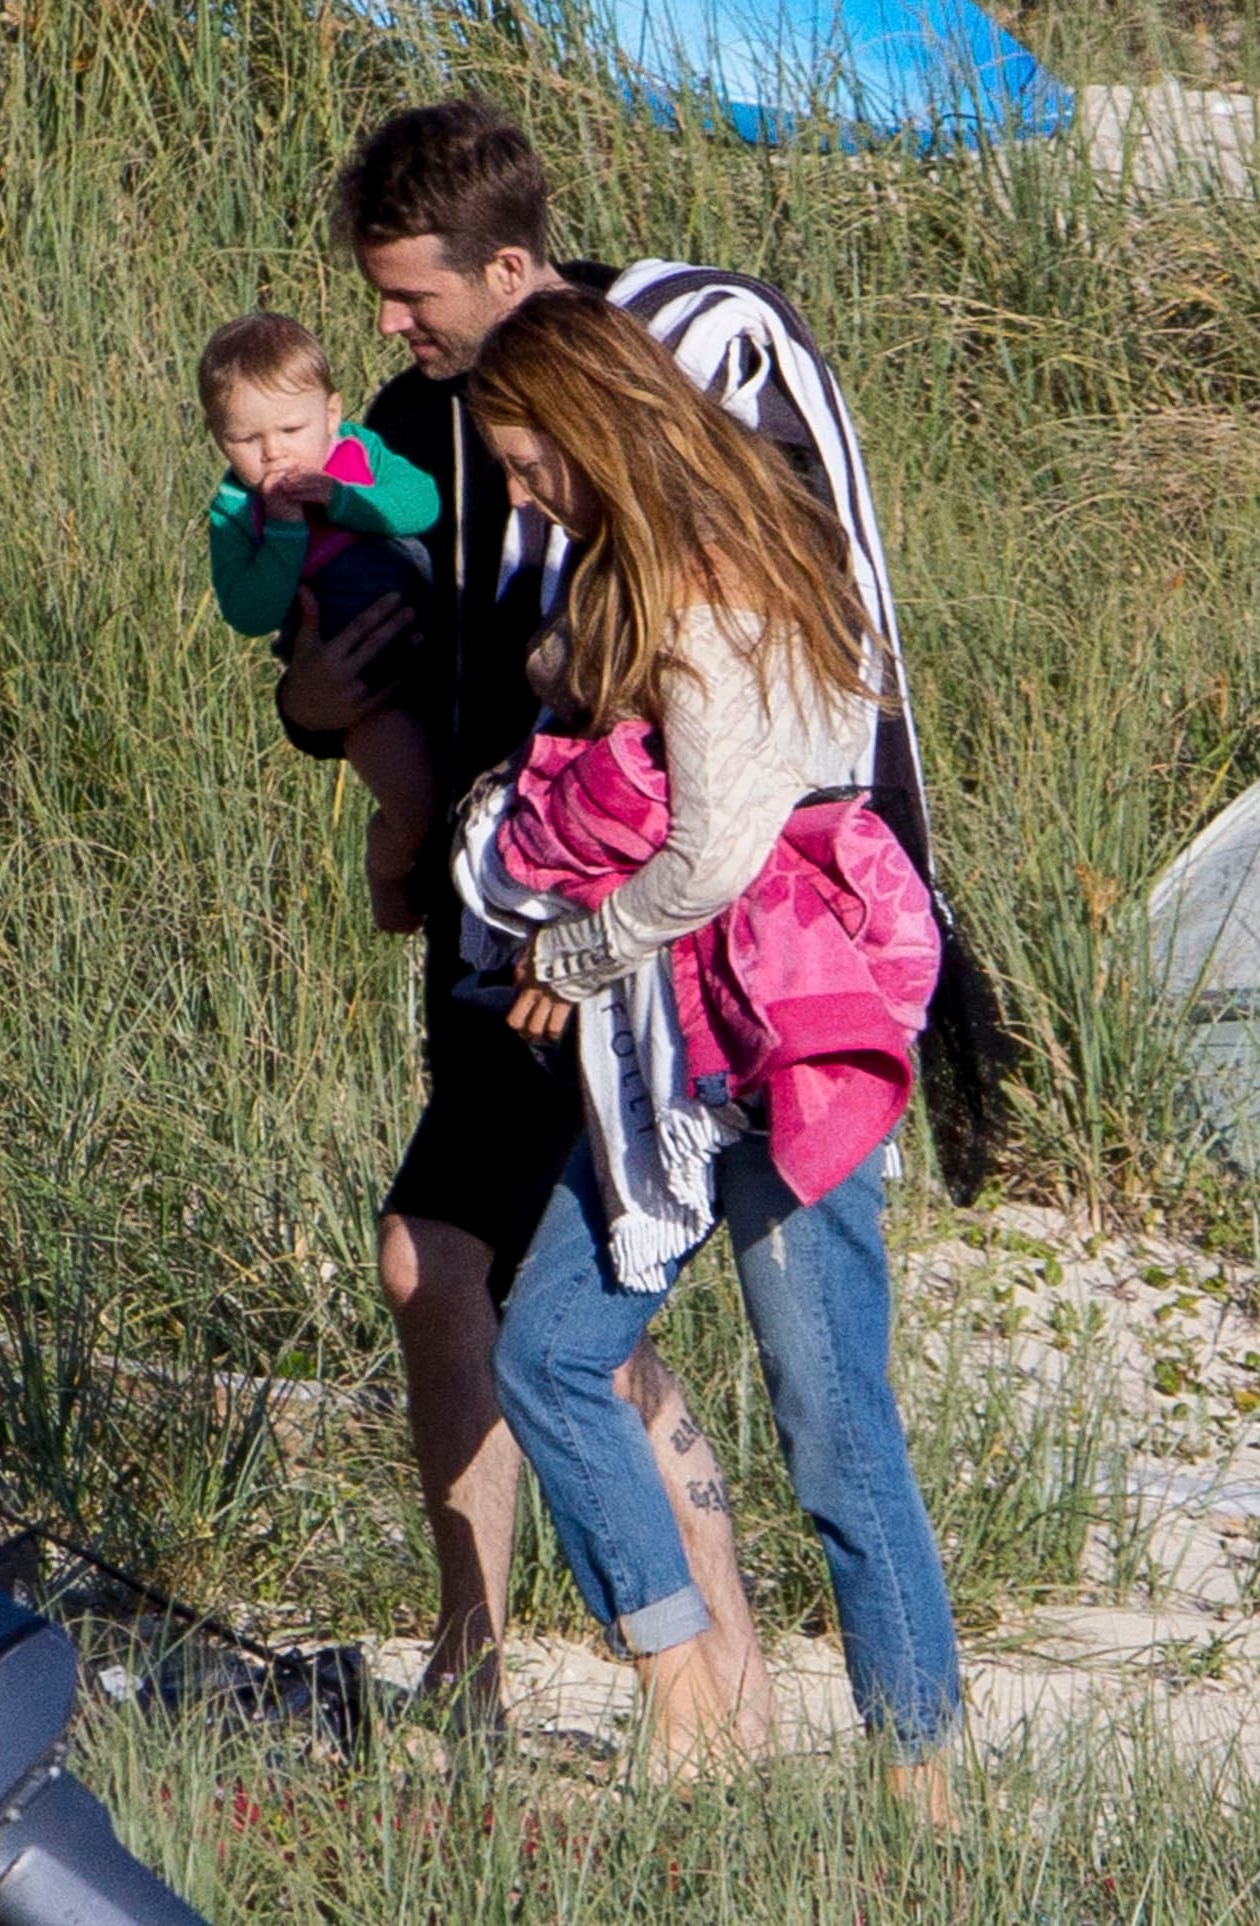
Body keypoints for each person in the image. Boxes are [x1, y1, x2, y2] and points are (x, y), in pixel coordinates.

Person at [273, 98, 962, 1755]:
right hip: (555, 965)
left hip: (737, 991)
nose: (387, 325)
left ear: (510, 272)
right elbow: (366, 651)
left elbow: (800, 713)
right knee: (502, 1303)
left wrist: (884, 934)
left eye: (411, 293)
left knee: (801, 1397)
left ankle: (818, 1738)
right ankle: (570, 1673)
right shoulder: (412, 425)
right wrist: (317, 710)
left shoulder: (709, 359)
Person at [459, 289, 960, 1794]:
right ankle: (684, 1677)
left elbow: (725, 846)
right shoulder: (674, 559)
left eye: (535, 466)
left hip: (769, 1036)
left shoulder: (704, 581)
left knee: (833, 1421)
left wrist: (574, 941)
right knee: (551, 1351)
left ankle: (923, 1779)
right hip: (684, 1048)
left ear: (598, 427)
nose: (529, 497)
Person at [200, 313, 440, 929]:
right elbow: (248, 612)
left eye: (291, 428)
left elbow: (422, 505)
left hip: (438, 643)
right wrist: (282, 528)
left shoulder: (362, 451)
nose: (274, 451)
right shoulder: (235, 512)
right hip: (363, 690)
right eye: (245, 439)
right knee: (416, 806)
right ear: (216, 437)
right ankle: (386, 873)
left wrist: (340, 499)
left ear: (332, 414)